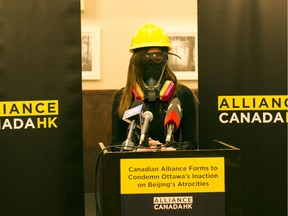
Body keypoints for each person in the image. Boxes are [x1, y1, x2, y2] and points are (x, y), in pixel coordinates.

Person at [111, 24, 198, 151]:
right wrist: (136, 150)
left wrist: (169, 149)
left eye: (157, 57)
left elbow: (192, 144)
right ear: (136, 61)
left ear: (165, 59)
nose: (151, 62)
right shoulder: (122, 97)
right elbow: (115, 146)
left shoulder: (183, 94)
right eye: (145, 58)